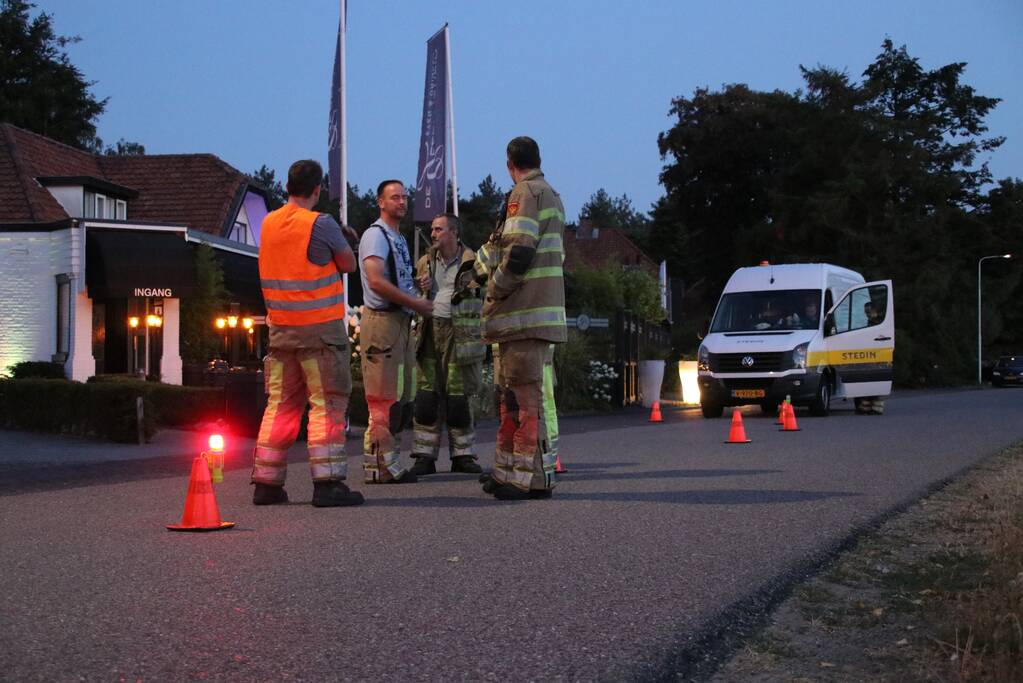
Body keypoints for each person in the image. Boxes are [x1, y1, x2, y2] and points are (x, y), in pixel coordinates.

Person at [251, 159, 363, 507]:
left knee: (280, 406)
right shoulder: (322, 223)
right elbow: (348, 264)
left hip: (281, 332)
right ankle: (327, 484)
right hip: (320, 335)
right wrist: (346, 242)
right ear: (317, 189)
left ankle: (266, 484)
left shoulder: (267, 223)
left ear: (287, 186)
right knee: (326, 405)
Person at [466, 136, 567, 501]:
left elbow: (519, 251)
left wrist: (494, 287)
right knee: (514, 398)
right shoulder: (549, 195)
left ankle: (525, 479)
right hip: (530, 319)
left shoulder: (524, 193)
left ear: (510, 164)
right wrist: (473, 274)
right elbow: (502, 245)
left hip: (524, 316)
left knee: (524, 402)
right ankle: (511, 472)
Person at [358, 180, 433, 483]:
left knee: (400, 395)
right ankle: (382, 465)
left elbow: (395, 280)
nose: (401, 202)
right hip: (383, 323)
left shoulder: (397, 237)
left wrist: (417, 287)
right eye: (394, 197)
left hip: (399, 323)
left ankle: (386, 462)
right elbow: (376, 281)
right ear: (380, 202)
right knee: (383, 397)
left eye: (404, 197)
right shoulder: (375, 236)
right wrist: (415, 301)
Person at [409, 213, 485, 475]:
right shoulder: (424, 262)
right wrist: (419, 287)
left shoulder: (473, 263)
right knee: (427, 396)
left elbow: (486, 297)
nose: (433, 234)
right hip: (429, 331)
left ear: (454, 232)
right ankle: (424, 456)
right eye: (432, 229)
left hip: (460, 335)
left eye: (438, 229)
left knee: (458, 396)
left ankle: (463, 456)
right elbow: (411, 294)